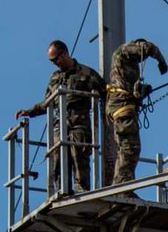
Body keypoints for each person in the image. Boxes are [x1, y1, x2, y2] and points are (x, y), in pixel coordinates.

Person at [15, 40, 104, 194]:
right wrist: (30, 111)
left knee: (79, 156)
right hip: (60, 124)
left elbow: (104, 91)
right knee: (57, 158)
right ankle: (61, 191)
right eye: (52, 61)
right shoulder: (55, 78)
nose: (54, 63)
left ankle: (81, 190)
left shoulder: (86, 73)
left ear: (64, 53)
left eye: (56, 59)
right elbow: (47, 103)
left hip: (79, 123)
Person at [107, 38, 168, 184]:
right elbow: (147, 48)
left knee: (127, 147)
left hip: (123, 106)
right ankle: (122, 186)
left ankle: (121, 184)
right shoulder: (124, 51)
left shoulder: (127, 66)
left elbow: (130, 89)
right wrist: (161, 61)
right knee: (130, 147)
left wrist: (140, 91)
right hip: (121, 106)